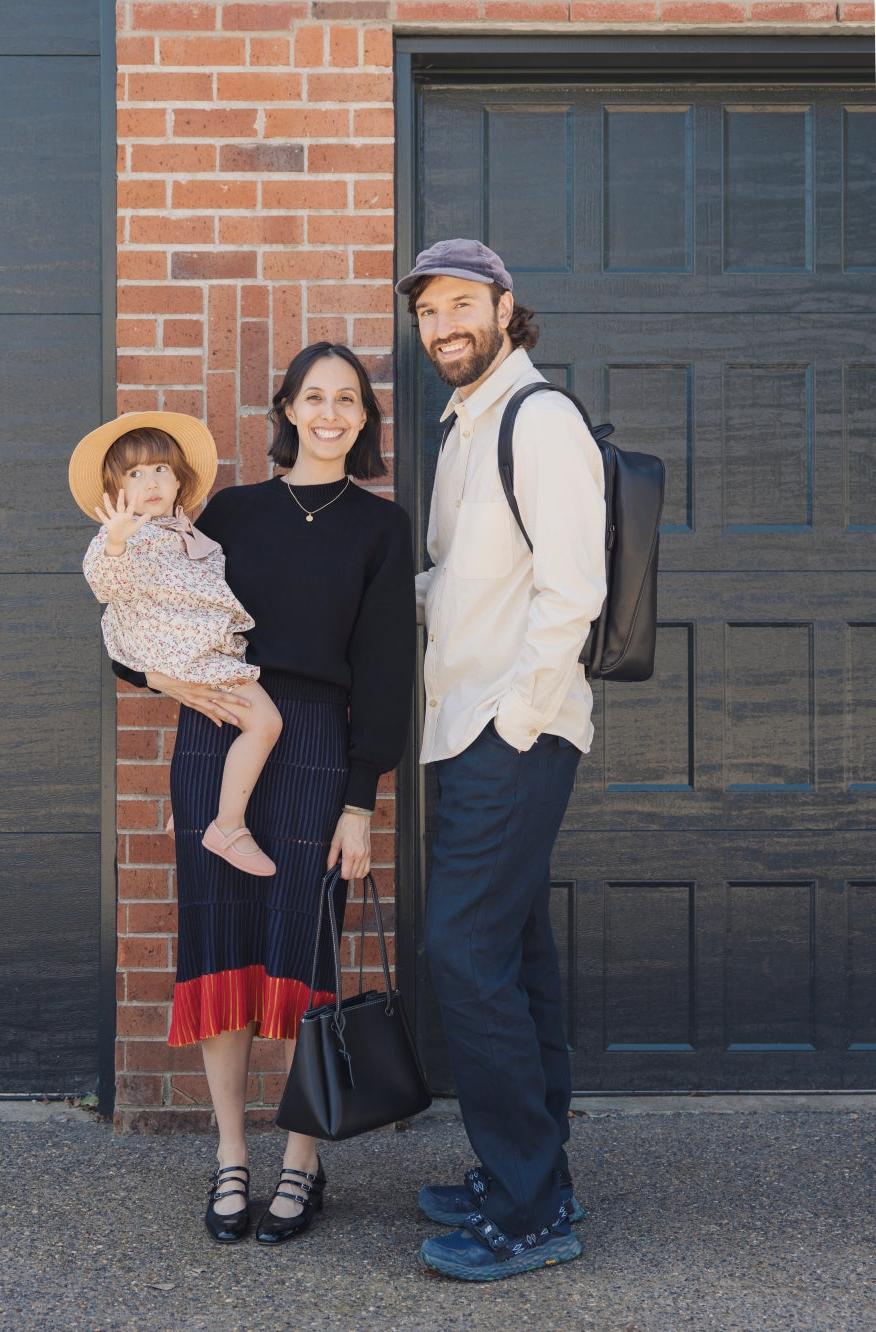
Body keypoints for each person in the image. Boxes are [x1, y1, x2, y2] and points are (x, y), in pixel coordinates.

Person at [109, 346, 414, 1246]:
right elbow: (137, 617)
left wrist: (360, 800)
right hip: (215, 733)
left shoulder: (380, 527)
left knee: (301, 947)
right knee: (222, 946)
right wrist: (163, 680)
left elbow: (387, 674)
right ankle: (231, 1159)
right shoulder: (229, 513)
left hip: (317, 741)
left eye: (347, 400)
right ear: (285, 407)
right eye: (312, 397)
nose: (329, 413)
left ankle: (301, 1162)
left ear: (363, 417)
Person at [396, 239, 607, 1281]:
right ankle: (534, 1174)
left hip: (506, 731)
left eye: (460, 304)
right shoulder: (463, 430)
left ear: (504, 306)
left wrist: (516, 722)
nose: (443, 326)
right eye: (429, 311)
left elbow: (574, 589)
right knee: (513, 957)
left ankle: (528, 1212)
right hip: (464, 726)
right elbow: (454, 584)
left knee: (461, 955)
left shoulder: (540, 419)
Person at [70, 414, 282, 876]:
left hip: (200, 652)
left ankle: (195, 809)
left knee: (222, 726)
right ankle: (228, 827)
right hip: (179, 653)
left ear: (180, 479)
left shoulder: (187, 532)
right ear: (116, 491)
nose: (151, 482)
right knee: (265, 723)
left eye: (161, 469)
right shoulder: (128, 536)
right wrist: (115, 542)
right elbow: (105, 583)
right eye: (135, 474)